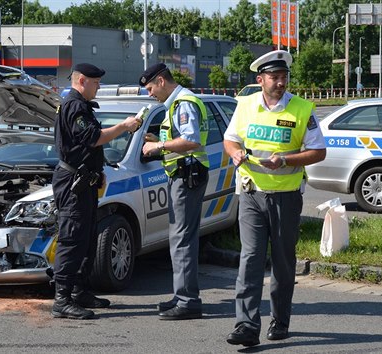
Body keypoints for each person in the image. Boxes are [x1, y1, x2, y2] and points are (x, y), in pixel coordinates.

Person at [223, 50, 326, 347]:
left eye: (284, 77)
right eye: (275, 77)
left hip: (286, 197)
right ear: (260, 80)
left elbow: (318, 151)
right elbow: (230, 139)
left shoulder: (302, 109)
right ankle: (245, 326)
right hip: (251, 194)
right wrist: (235, 153)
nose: (281, 82)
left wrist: (285, 160)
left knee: (282, 262)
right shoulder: (244, 106)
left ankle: (280, 320)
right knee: (250, 259)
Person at [52, 63, 142, 320]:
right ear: (82, 81)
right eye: (96, 82)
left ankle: (79, 292)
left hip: (85, 180)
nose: (99, 86)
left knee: (87, 238)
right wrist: (124, 127)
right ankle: (62, 300)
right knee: (72, 239)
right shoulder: (75, 106)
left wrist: (96, 170)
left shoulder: (79, 105)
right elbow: (93, 138)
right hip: (73, 183)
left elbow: (85, 147)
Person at [140, 63, 209, 321]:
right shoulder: (177, 104)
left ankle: (188, 300)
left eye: (149, 88)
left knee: (182, 239)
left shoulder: (183, 104)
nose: (149, 94)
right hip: (183, 175)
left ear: (160, 81)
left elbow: (191, 140)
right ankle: (182, 296)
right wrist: (156, 140)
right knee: (180, 238)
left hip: (186, 175)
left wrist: (157, 146)